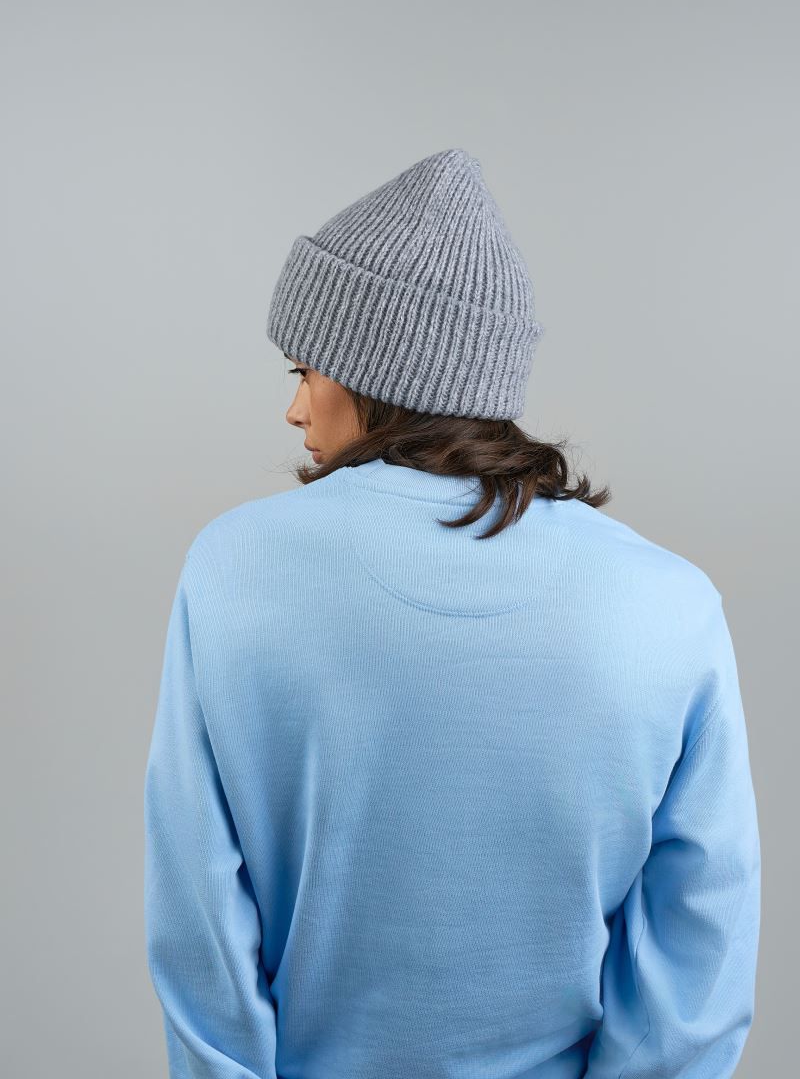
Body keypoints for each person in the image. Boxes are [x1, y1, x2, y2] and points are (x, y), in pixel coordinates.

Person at [143, 148, 760, 1078]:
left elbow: (198, 907)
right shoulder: (669, 600)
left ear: (376, 373)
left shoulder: (235, 564)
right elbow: (702, 923)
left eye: (306, 369)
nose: (295, 408)